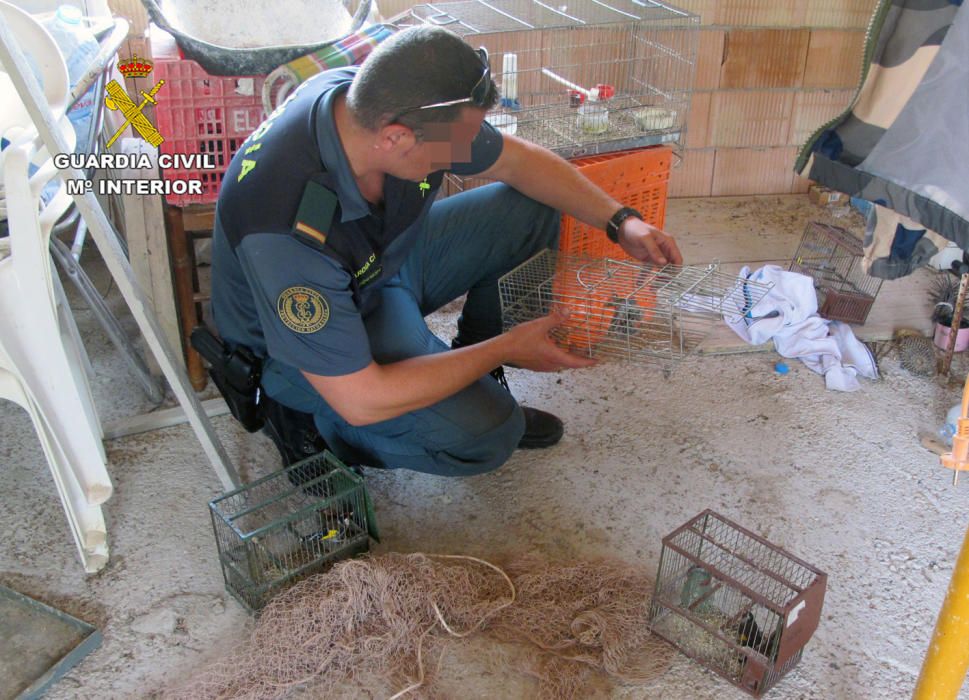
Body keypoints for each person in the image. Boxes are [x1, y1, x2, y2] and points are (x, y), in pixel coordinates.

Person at [210, 26, 682, 477]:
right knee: (489, 435)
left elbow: (517, 161)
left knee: (534, 207)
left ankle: (468, 368)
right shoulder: (286, 233)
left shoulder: (380, 102)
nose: (466, 151)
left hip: (379, 267)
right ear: (394, 137)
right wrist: (508, 345)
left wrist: (621, 221)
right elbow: (363, 396)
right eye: (452, 146)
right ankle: (312, 425)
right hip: (301, 349)